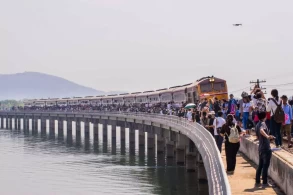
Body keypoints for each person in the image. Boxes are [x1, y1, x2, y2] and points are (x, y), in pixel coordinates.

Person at [255, 111, 274, 187]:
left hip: (260, 148)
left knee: (260, 165)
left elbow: (258, 135)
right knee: (265, 166)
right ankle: (265, 182)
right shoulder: (262, 124)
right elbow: (261, 130)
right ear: (264, 117)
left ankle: (257, 180)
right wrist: (268, 136)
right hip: (266, 148)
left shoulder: (257, 124)